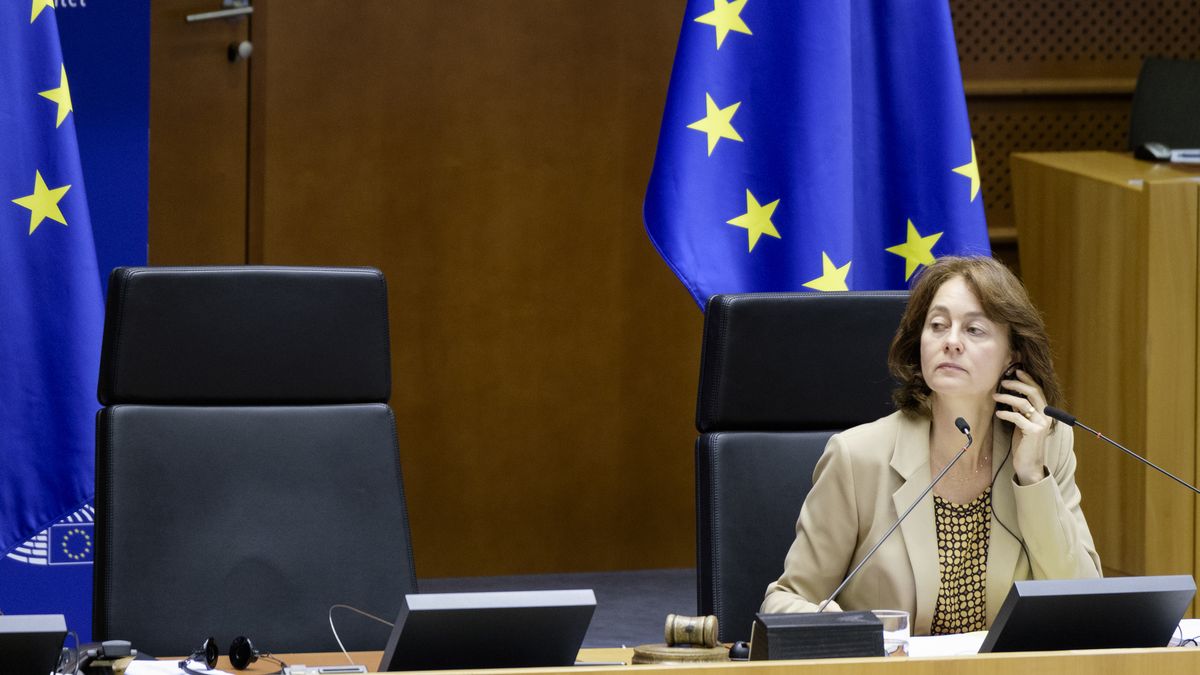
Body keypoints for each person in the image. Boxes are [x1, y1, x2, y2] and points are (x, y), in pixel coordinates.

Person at [760, 256, 1101, 636]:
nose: (951, 342)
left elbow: (1083, 601)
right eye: (937, 325)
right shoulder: (858, 457)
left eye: (974, 330)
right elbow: (785, 600)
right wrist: (847, 631)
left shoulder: (1046, 447)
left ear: (1013, 355)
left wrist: (1032, 477)